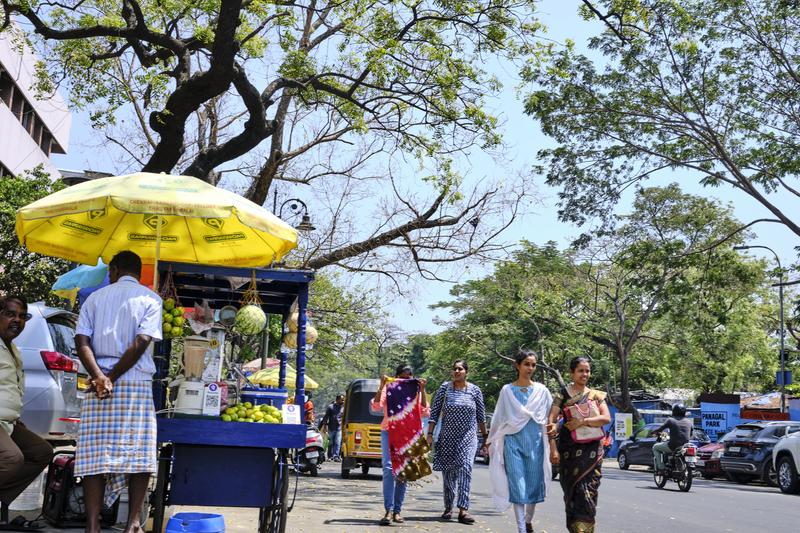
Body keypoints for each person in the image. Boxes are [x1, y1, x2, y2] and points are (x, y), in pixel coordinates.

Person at [74, 251, 162, 533]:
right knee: (139, 453)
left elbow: (81, 340)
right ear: (138, 272)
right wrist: (111, 377)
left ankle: (92, 525)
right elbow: (143, 341)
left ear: (114, 270)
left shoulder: (94, 298)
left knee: (93, 455)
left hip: (97, 383)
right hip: (134, 382)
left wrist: (100, 377)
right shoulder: (152, 299)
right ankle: (133, 523)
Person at [0, 295, 53, 531]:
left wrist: (15, 417)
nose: (17, 321)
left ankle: (2, 501)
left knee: (41, 451)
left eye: (22, 316)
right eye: (10, 314)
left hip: (8, 421)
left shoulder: (11, 349)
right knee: (12, 458)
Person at [486, 350, 553, 533]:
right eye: (526, 364)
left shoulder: (542, 391)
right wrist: (490, 440)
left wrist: (553, 444)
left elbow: (550, 418)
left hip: (536, 444)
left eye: (533, 365)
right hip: (513, 444)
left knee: (533, 485)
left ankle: (528, 520)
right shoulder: (507, 391)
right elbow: (498, 418)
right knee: (518, 486)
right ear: (517, 365)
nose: (530, 368)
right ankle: (521, 528)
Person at [548, 356, 611, 533]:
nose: (585, 374)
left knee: (588, 493)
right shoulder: (563, 394)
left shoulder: (597, 395)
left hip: (592, 452)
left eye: (587, 371)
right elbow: (550, 422)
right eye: (581, 370)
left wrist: (582, 421)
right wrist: (553, 448)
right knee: (572, 493)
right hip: (569, 452)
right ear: (572, 372)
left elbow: (606, 418)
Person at [426, 360, 486, 525]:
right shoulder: (445, 389)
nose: (457, 371)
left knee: (466, 467)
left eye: (460, 369)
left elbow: (481, 417)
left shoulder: (475, 391)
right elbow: (434, 413)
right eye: (455, 369)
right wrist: (430, 434)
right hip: (447, 437)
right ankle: (448, 507)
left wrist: (486, 438)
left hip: (468, 437)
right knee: (449, 474)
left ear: (466, 371)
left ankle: (463, 509)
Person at [371, 363, 428, 526]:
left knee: (403, 472)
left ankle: (397, 511)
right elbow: (375, 406)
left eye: (408, 379)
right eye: (401, 378)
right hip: (388, 431)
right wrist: (382, 385)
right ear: (396, 377)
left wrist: (422, 389)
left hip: (408, 435)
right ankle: (388, 510)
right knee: (389, 469)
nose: (405, 381)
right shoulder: (388, 389)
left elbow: (425, 410)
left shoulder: (416, 390)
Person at [651, 404, 692, 473]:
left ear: (674, 411)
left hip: (673, 446)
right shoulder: (689, 421)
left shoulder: (670, 420)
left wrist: (653, 432)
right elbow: (691, 434)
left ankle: (661, 468)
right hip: (686, 445)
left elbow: (661, 429)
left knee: (655, 447)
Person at [320, 394, 344, 461]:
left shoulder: (343, 407)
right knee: (330, 443)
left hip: (339, 428)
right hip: (331, 428)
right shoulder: (331, 407)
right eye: (341, 399)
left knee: (337, 443)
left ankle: (336, 456)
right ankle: (330, 456)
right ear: (337, 400)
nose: (343, 401)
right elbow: (326, 417)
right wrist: (325, 426)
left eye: (343, 399)